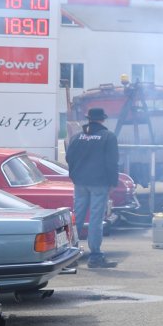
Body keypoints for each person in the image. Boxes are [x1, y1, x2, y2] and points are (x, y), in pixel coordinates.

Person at [66, 106, 120, 269]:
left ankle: (70, 255)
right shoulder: (108, 137)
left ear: (88, 119)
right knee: (96, 220)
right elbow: (112, 162)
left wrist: (75, 176)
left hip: (80, 183)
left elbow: (69, 158)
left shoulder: (77, 137)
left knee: (77, 218)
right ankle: (95, 256)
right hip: (99, 183)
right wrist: (113, 182)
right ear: (103, 119)